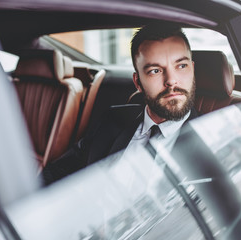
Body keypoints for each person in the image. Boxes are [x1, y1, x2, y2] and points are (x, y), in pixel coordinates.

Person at [41, 24, 199, 185]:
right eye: (155, 70)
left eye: (181, 66)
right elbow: (55, 173)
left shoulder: (212, 137)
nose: (171, 80)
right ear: (138, 82)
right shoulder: (112, 120)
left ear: (192, 69)